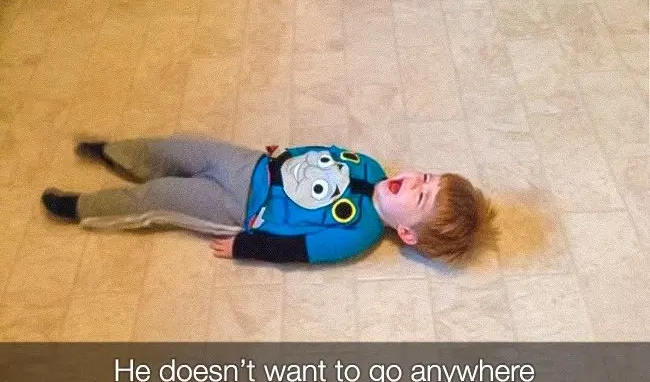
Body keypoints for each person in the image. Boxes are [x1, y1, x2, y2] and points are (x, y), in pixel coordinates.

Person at [41, 135, 498, 265]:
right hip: (250, 164)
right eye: (428, 177)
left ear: (407, 233)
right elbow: (325, 154)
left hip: (238, 209)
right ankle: (118, 152)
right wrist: (286, 155)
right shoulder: (372, 165)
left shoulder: (357, 234)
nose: (416, 180)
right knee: (177, 148)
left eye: (422, 195)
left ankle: (81, 207)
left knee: (160, 197)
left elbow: (297, 249)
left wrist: (246, 246)